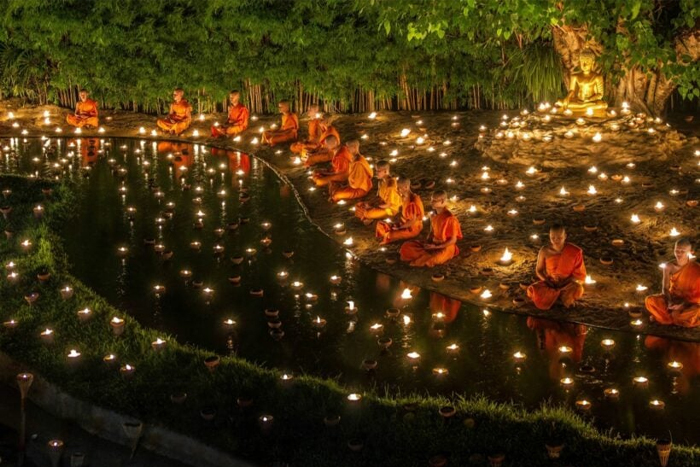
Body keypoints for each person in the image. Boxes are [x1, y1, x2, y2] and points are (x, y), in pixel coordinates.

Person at [527, 224, 586, 310]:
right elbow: (539, 270)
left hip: (567, 283)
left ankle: (555, 298)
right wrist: (547, 281)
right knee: (533, 289)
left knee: (577, 288)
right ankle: (560, 298)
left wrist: (564, 282)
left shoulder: (574, 251)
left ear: (565, 236)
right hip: (550, 282)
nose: (556, 240)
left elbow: (578, 274)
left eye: (559, 238)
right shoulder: (544, 251)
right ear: (549, 236)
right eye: (553, 238)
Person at [645, 238, 700, 327]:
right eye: (677, 250)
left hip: (688, 302)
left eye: (682, 251)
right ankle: (674, 317)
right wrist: (670, 301)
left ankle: (666, 317)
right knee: (650, 300)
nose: (679, 254)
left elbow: (698, 296)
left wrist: (683, 304)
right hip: (673, 298)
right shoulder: (668, 266)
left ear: (690, 252)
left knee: (696, 310)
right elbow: (665, 288)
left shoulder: (697, 268)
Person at [399, 190, 462, 267]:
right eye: (431, 200)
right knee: (406, 246)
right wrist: (428, 243)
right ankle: (424, 255)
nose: (431, 202)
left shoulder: (450, 218)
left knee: (432, 260)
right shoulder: (433, 215)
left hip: (445, 247)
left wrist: (437, 247)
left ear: (442, 201)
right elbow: (432, 232)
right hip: (434, 243)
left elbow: (453, 240)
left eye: (434, 200)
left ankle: (424, 257)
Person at [375, 178, 424, 244]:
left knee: (389, 234)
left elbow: (412, 221)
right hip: (404, 223)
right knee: (380, 223)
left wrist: (399, 227)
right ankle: (390, 235)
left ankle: (390, 237)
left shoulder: (413, 202)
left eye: (398, 188)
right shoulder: (404, 197)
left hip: (412, 229)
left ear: (406, 187)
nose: (397, 190)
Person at [354, 160, 401, 224]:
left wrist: (372, 206)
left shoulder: (391, 185)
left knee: (367, 213)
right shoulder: (381, 182)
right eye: (376, 171)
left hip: (390, 209)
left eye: (378, 171)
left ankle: (367, 216)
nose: (376, 173)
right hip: (381, 203)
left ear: (385, 171)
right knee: (359, 205)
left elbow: (388, 205)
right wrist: (368, 203)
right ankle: (367, 216)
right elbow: (378, 196)